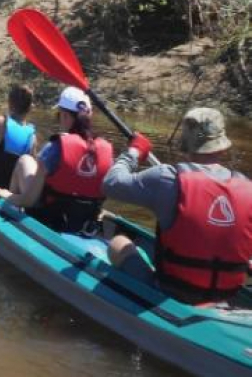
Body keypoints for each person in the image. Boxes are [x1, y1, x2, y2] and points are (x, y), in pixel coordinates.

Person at [102, 108, 252, 305]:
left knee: (119, 243)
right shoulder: (247, 188)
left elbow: (111, 183)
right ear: (222, 148)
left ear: (186, 145)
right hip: (226, 295)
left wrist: (133, 152)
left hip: (175, 292)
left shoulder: (167, 178)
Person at [0, 86, 113, 235]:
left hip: (50, 219)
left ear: (64, 115)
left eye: (58, 115)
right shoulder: (107, 150)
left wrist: (9, 196)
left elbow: (30, 200)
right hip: (84, 222)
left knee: (25, 160)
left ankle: (10, 212)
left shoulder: (54, 147)